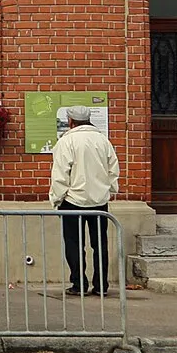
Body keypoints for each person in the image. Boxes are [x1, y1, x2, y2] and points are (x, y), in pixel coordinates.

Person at [49, 106, 120, 296]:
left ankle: (79, 284)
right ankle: (101, 285)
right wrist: (110, 190)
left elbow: (61, 174)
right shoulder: (103, 140)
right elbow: (113, 170)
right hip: (99, 202)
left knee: (74, 244)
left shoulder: (67, 141)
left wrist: (56, 198)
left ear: (71, 121)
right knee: (100, 244)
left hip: (73, 200)